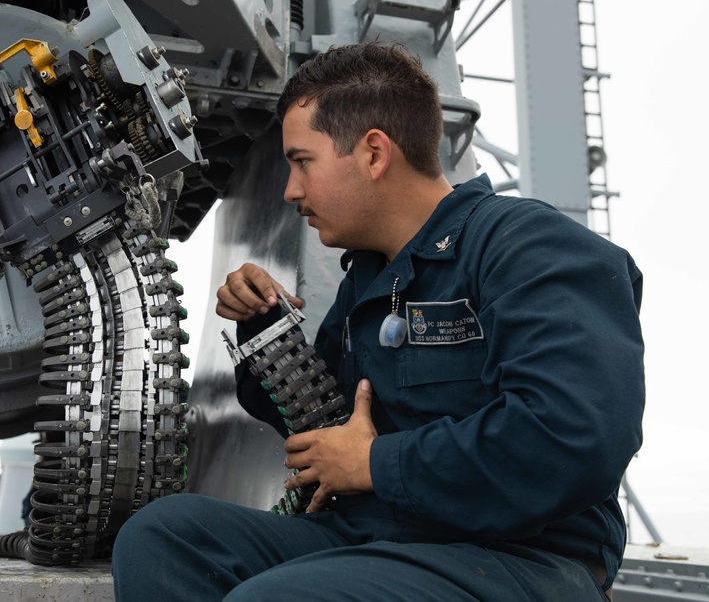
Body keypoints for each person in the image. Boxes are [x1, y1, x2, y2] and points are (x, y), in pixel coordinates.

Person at [111, 41, 644, 601]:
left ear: (372, 153)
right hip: (378, 535)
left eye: (301, 162)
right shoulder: (368, 280)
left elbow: (572, 435)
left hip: (520, 555)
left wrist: (376, 463)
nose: (291, 189)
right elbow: (321, 428)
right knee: (163, 537)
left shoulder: (529, 247)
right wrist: (260, 326)